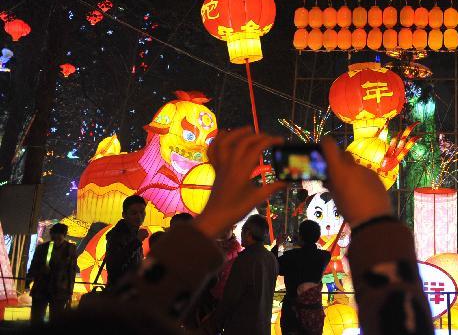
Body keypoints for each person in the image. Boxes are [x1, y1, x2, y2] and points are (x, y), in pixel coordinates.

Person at [35, 128, 434, 335]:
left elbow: (122, 321)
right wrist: (376, 222)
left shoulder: (272, 259)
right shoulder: (295, 257)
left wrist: (211, 221)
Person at [203, 214, 277, 335]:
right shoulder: (271, 258)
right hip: (263, 325)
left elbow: (231, 296)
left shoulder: (245, 259)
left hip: (242, 325)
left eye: (242, 230)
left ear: (248, 233)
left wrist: (215, 321)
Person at [276, 220, 331, 335]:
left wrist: (279, 245)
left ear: (300, 236)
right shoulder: (324, 257)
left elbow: (277, 266)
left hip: (292, 311)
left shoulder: (291, 256)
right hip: (314, 310)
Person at [25, 222, 77, 325]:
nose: (56, 237)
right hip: (41, 287)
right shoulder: (42, 248)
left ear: (64, 235)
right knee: (37, 318)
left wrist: (69, 290)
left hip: (60, 289)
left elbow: (72, 270)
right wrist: (28, 281)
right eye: (54, 234)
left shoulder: (70, 249)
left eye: (59, 235)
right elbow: (34, 266)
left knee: (57, 319)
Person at [105, 194, 149, 287]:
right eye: (134, 213)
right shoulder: (116, 235)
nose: (139, 217)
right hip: (119, 293)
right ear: (124, 215)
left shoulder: (135, 233)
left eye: (142, 212)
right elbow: (114, 267)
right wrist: (137, 241)